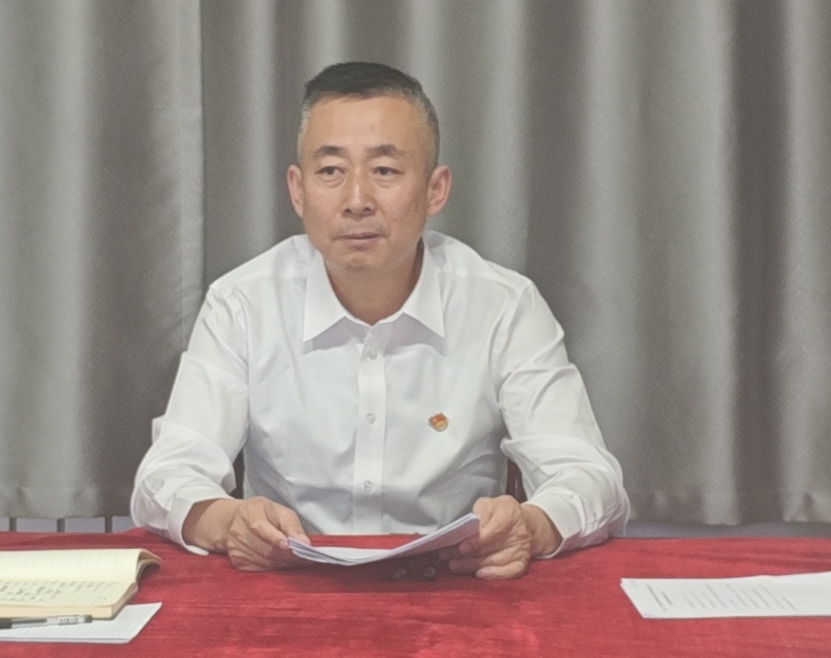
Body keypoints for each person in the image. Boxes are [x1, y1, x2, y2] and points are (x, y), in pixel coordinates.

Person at [130, 59, 627, 577]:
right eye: (330, 171)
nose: (356, 201)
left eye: (385, 171)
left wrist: (531, 526)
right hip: (292, 585)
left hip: (451, 585)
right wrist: (229, 521)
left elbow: (589, 476)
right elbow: (167, 474)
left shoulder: (503, 305)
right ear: (297, 190)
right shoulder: (243, 303)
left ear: (436, 189)